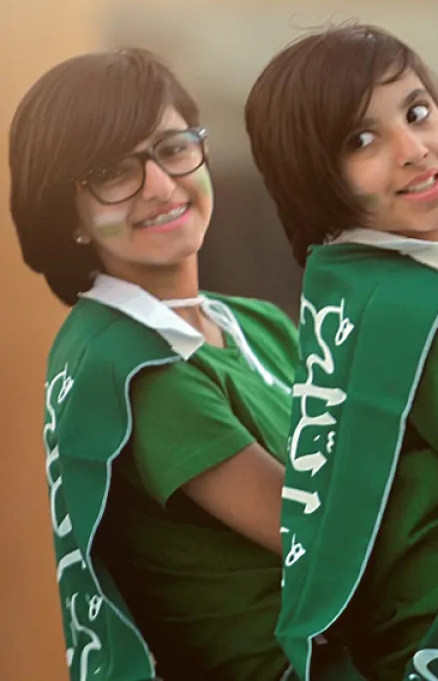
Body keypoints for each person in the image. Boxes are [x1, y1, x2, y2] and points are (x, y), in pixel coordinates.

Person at [243, 23, 438, 680]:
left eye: (417, 113)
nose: (414, 150)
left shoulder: (348, 299)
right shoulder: (427, 313)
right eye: (362, 140)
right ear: (312, 178)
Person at [10, 49, 298, 680]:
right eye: (114, 172)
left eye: (172, 149)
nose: (161, 187)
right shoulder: (133, 369)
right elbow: (318, 533)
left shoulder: (257, 324)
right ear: (68, 214)